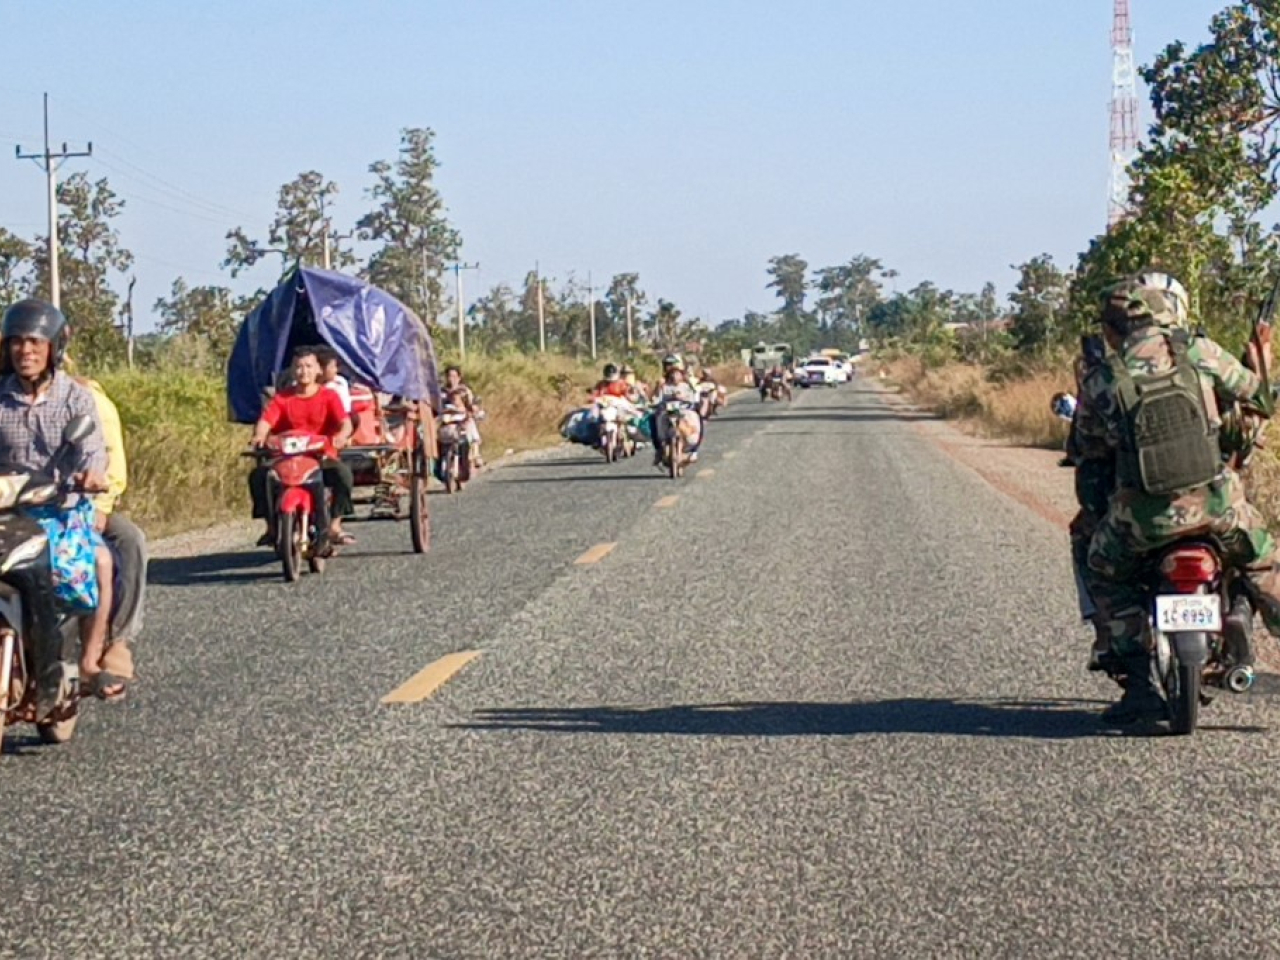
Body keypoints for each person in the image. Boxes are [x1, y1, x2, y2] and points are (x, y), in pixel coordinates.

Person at [1075, 276, 1280, 726]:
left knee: (1104, 573)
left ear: (1112, 327)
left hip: (1141, 521)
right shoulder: (1199, 352)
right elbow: (1258, 398)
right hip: (1218, 509)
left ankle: (1138, 686)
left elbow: (1088, 455)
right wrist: (1258, 364)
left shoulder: (1103, 378)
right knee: (1263, 565)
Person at [0, 299, 113, 708]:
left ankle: (89, 661)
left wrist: (92, 474)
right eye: (16, 342)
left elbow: (92, 449)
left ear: (53, 347)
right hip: (8, 515)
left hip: (60, 511)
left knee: (100, 563)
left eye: (35, 342)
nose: (25, 350)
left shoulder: (75, 399)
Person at [74, 372, 146, 702]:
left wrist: (100, 506)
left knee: (130, 540)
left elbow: (109, 457)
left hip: (79, 502)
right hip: (14, 505)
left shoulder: (84, 397)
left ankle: (118, 639)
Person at [250, 346, 355, 548]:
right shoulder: (282, 398)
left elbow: (345, 423)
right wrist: (260, 436)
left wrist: (341, 436)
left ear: (318, 370)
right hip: (286, 457)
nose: (303, 371)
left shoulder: (329, 396)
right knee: (258, 476)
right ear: (292, 370)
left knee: (343, 475)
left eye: (308, 366)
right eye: (298, 367)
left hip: (320, 456)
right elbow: (266, 421)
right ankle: (271, 527)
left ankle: (334, 525)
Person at [652, 356, 703, 467]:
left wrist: (684, 398)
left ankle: (694, 450)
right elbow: (656, 399)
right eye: (668, 367)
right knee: (654, 419)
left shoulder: (687, 384)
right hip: (667, 412)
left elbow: (695, 396)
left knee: (698, 419)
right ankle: (658, 450)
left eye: (676, 373)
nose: (674, 375)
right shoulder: (663, 385)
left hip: (685, 410)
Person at [443, 365, 485, 469]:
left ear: (459, 377)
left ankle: (476, 454)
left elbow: (471, 404)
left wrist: (473, 409)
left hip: (462, 418)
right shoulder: (442, 391)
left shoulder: (464, 391)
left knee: (470, 425)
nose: (451, 379)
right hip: (447, 419)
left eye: (454, 376)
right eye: (449, 376)